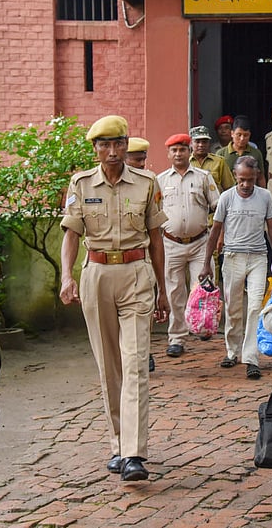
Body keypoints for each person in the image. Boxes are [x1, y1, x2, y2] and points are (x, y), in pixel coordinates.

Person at [59, 115, 169, 482]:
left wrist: (163, 290)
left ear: (126, 145)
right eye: (103, 145)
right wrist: (66, 277)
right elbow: (71, 234)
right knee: (110, 366)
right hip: (97, 274)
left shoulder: (146, 183)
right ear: (95, 149)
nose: (111, 152)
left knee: (136, 362)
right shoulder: (81, 183)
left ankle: (135, 453)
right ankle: (118, 443)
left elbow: (156, 238)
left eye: (117, 144)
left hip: (137, 274)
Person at [199, 156, 272, 380]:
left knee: (254, 307)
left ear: (256, 178)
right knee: (233, 308)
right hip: (232, 257)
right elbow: (215, 231)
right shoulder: (226, 197)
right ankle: (232, 351)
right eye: (242, 180)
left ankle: (251, 358)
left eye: (250, 180)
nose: (245, 185)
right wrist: (207, 263)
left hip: (258, 257)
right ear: (235, 176)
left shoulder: (265, 196)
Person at [156, 133, 220, 357]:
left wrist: (216, 237)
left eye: (182, 149)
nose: (178, 153)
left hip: (200, 243)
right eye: (173, 150)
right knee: (174, 292)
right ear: (168, 154)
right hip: (170, 244)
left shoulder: (203, 177)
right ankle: (177, 338)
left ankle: (202, 326)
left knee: (201, 287)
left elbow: (218, 207)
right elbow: (154, 213)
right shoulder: (161, 180)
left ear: (189, 151)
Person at [124, 135, 157, 373]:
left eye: (143, 161)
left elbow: (155, 228)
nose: (140, 166)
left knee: (144, 311)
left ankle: (146, 352)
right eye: (136, 161)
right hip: (111, 264)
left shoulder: (149, 182)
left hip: (141, 259)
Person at [215, 115, 266, 187]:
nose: (242, 138)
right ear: (232, 134)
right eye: (239, 135)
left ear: (250, 135)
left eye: (246, 135)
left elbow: (261, 178)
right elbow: (217, 179)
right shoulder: (221, 153)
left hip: (251, 194)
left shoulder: (256, 153)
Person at [189, 124, 235, 193]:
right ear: (191, 143)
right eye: (197, 142)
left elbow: (229, 188)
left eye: (204, 142)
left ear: (209, 143)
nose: (201, 145)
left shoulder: (219, 162)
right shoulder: (186, 163)